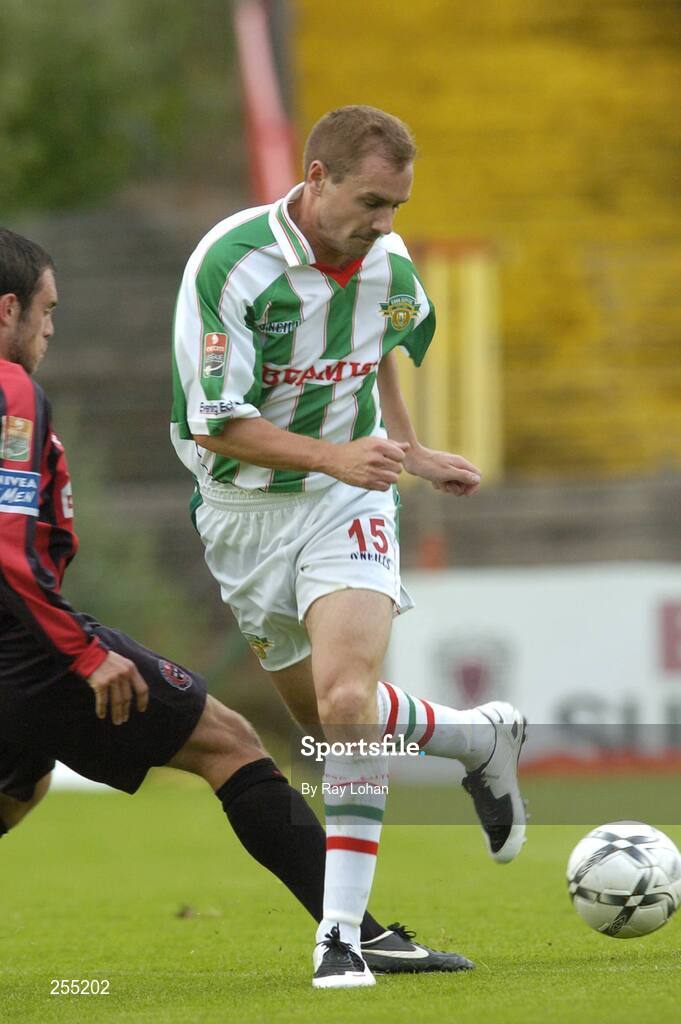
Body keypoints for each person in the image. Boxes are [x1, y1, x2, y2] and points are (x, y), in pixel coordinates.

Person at [0, 227, 476, 984]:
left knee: (17, 790)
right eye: (47, 311)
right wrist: (85, 654)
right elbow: (9, 546)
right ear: (7, 312)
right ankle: (358, 932)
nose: (52, 328)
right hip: (25, 645)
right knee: (229, 743)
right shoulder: (12, 390)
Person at [172, 105, 528, 988]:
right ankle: (479, 742)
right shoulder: (232, 264)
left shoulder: (389, 265)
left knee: (343, 701)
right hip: (241, 511)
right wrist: (339, 451)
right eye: (371, 202)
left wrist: (405, 454)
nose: (385, 224)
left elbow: (378, 354)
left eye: (397, 205)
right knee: (328, 725)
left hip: (344, 500)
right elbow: (215, 426)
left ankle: (339, 940)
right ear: (316, 178)